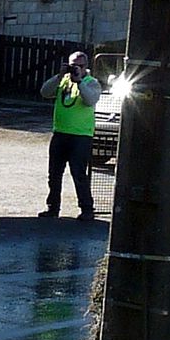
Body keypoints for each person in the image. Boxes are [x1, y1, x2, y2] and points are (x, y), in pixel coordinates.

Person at [38, 51, 102, 221]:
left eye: (79, 66)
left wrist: (80, 81)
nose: (75, 69)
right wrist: (59, 75)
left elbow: (90, 100)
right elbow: (44, 92)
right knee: (54, 174)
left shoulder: (91, 83)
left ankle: (87, 209)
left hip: (81, 136)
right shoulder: (63, 81)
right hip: (60, 134)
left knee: (79, 174)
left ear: (86, 67)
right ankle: (53, 207)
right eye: (72, 65)